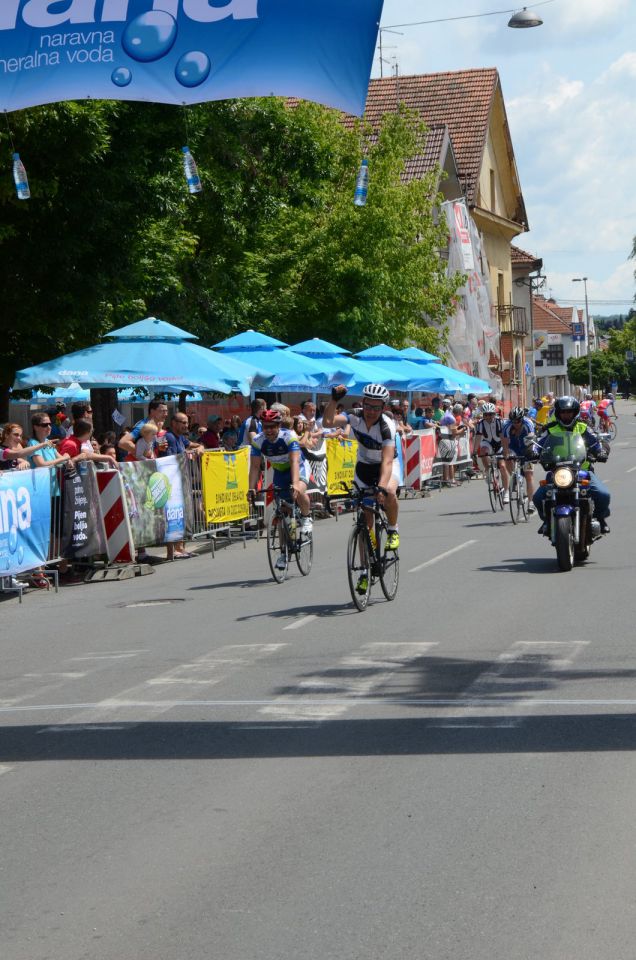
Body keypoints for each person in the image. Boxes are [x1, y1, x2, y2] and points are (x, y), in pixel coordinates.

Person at [322, 383, 401, 575]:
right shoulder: (355, 416)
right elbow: (327, 422)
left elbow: (388, 461)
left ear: (383, 408)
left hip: (387, 465)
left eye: (376, 407)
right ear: (362, 403)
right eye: (368, 406)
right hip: (364, 467)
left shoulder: (386, 426)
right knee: (365, 524)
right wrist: (333, 400)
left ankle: (392, 529)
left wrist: (381, 488)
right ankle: (366, 568)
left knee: (389, 492)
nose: (371, 411)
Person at [532, 396, 610, 534]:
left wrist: (601, 451)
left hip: (582, 471)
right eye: (563, 412)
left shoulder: (583, 427)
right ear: (558, 413)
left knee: (603, 494)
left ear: (575, 412)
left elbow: (596, 443)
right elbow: (537, 443)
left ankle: (600, 519)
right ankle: (547, 521)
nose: (566, 415)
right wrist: (532, 451)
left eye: (569, 412)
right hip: (557, 472)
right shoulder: (551, 429)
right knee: (538, 497)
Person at [248, 409, 313, 570]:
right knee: (283, 513)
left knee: (299, 491)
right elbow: (255, 467)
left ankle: (306, 517)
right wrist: (250, 488)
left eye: (272, 426)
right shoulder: (258, 440)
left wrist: (296, 484)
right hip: (279, 472)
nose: (269, 430)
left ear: (278, 425)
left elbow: (294, 462)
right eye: (265, 426)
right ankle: (284, 553)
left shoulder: (289, 437)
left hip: (298, 467)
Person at [501, 406, 537, 513]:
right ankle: (514, 475)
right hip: (514, 447)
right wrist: (506, 453)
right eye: (513, 421)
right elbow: (504, 441)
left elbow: (531, 435)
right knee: (507, 458)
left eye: (518, 421)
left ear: (522, 419)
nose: (515, 423)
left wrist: (530, 453)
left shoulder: (528, 423)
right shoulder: (507, 425)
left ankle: (531, 503)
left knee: (529, 475)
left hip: (527, 446)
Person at [474, 401, 510, 501]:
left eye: (490, 414)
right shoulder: (480, 424)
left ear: (494, 414)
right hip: (488, 443)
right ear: (483, 415)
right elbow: (478, 437)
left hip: (499, 443)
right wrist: (474, 451)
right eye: (486, 415)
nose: (488, 417)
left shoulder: (500, 421)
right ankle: (488, 470)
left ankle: (506, 492)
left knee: (502, 466)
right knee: (482, 451)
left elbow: (503, 437)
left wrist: (505, 450)